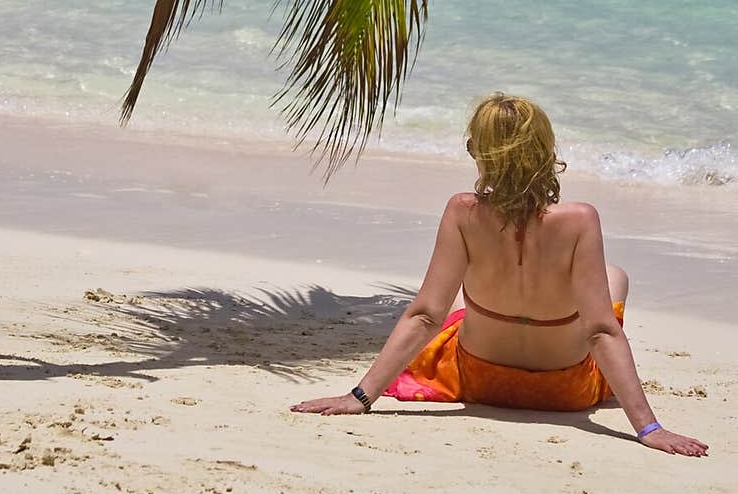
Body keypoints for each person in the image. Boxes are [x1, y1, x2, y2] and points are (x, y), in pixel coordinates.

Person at [292, 93, 708, 456]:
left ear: (479, 153)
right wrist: (649, 429)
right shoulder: (581, 220)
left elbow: (424, 316)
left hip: (479, 380)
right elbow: (601, 331)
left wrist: (359, 397)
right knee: (614, 276)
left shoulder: (462, 212)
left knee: (455, 296)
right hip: (565, 393)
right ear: (546, 151)